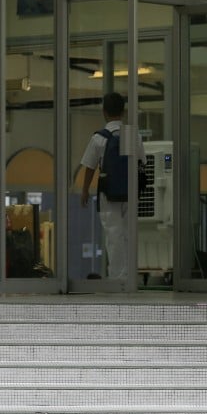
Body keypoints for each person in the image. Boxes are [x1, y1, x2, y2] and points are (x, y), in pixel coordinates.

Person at [80, 92, 146, 280]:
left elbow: (90, 166)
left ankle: (117, 278)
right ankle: (130, 277)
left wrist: (85, 190)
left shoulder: (99, 138)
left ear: (104, 112)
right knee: (128, 234)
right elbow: (142, 163)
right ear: (123, 112)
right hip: (130, 193)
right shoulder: (134, 137)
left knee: (113, 236)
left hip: (108, 195)